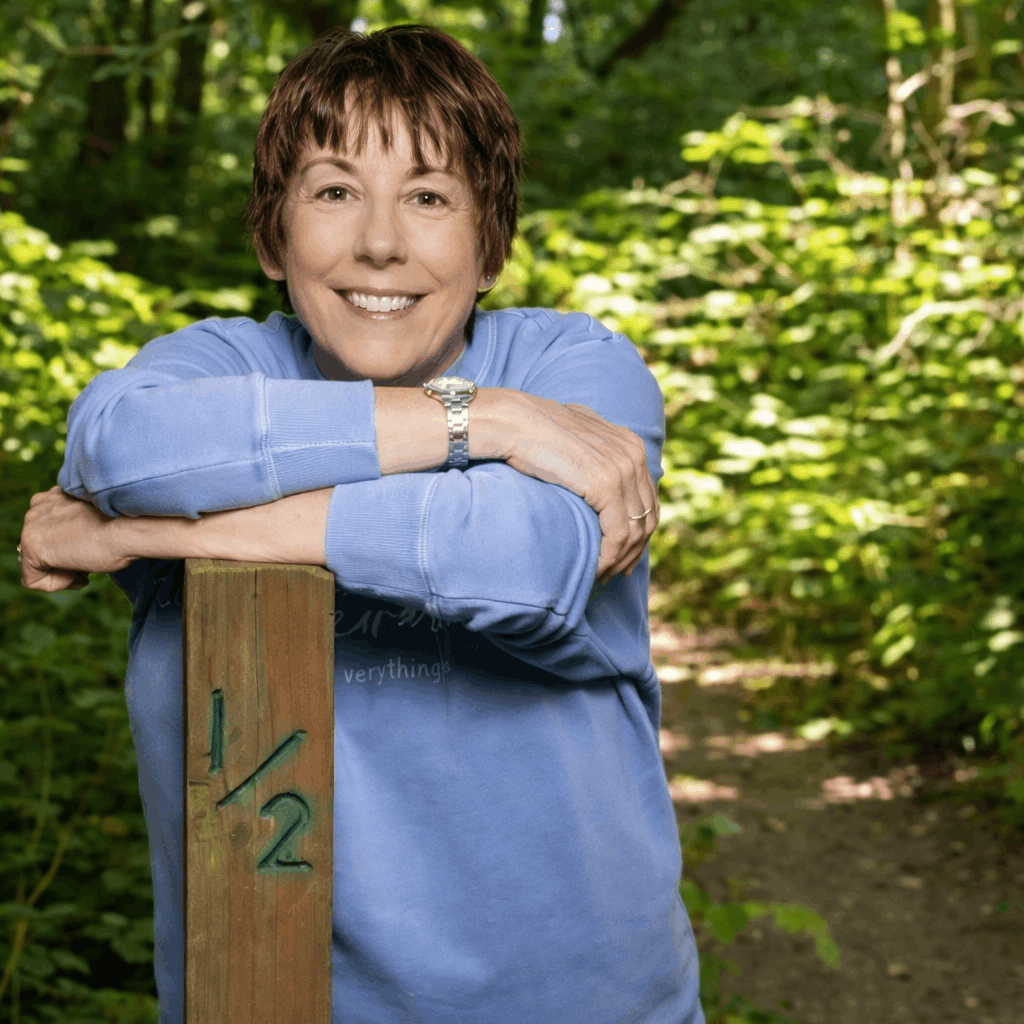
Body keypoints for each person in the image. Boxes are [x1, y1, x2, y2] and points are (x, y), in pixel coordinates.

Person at [19, 24, 704, 1024]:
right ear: (271, 233)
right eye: (334, 191)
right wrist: (481, 421)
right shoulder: (223, 367)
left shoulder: (576, 372)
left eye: (429, 196)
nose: (380, 240)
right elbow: (121, 450)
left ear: (490, 245)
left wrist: (146, 532)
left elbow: (517, 559)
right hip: (267, 1000)